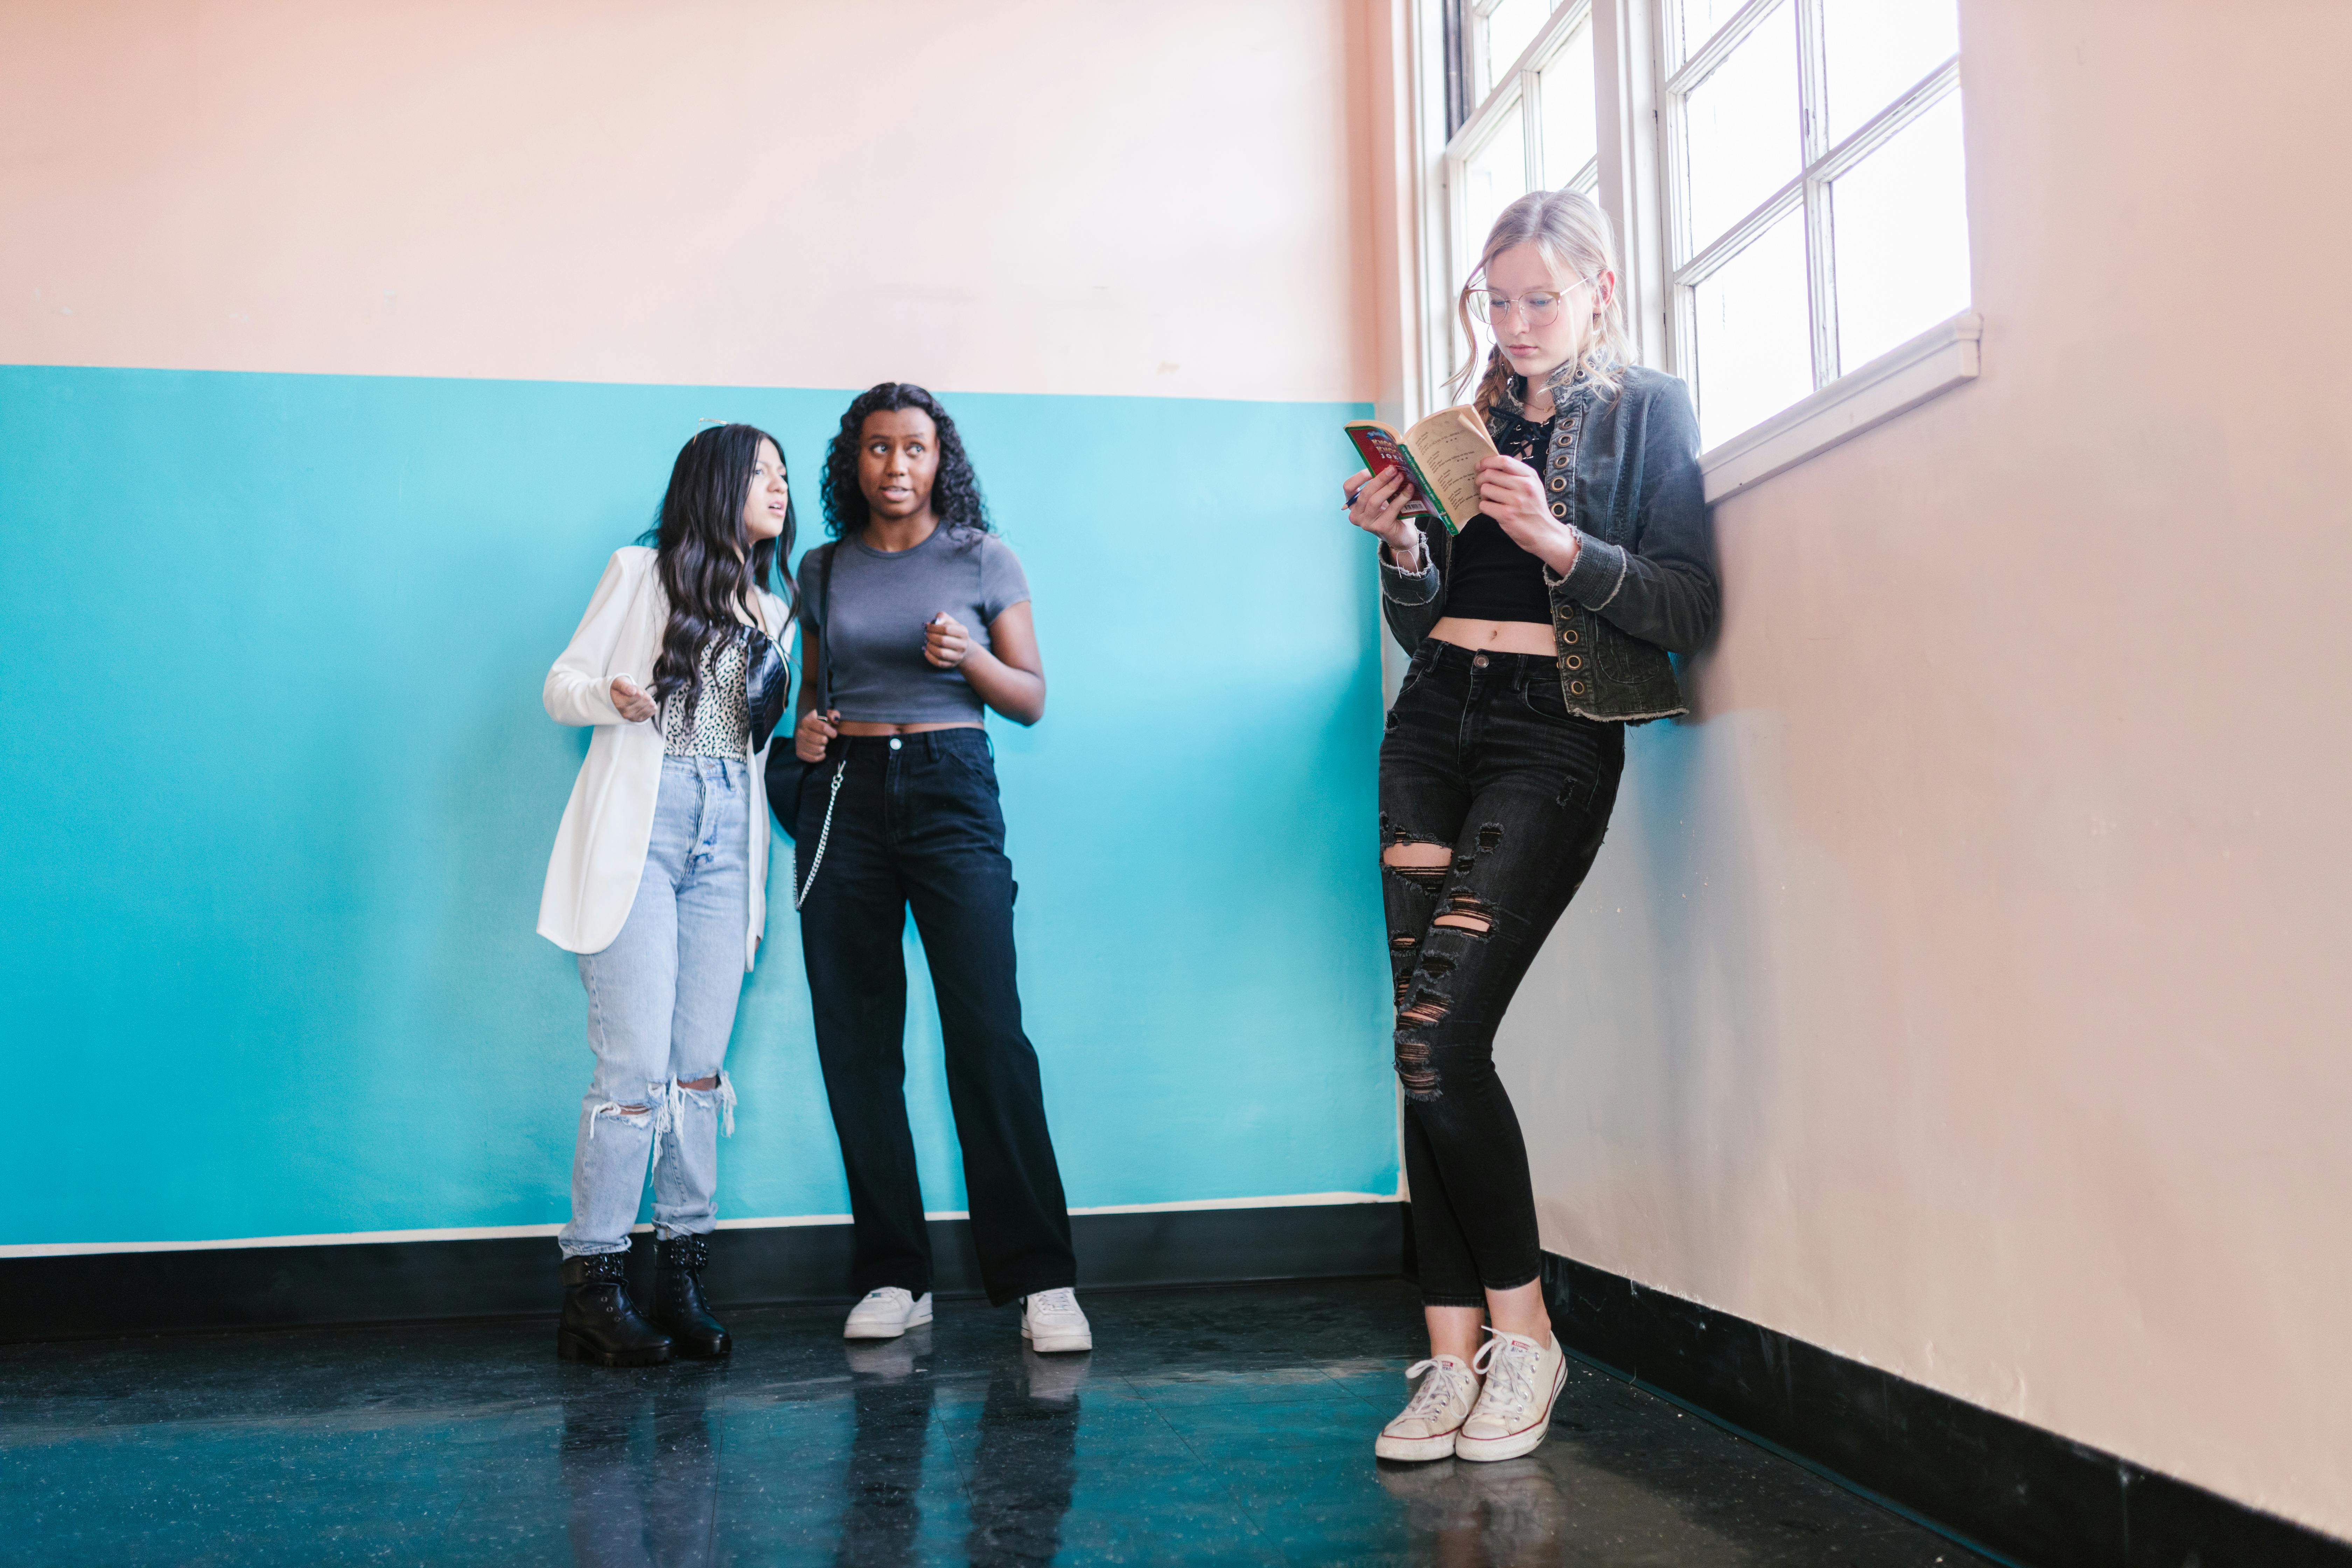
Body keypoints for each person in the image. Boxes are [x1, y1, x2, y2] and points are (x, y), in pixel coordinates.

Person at [1345, 191, 1717, 1461]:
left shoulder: (1647, 411)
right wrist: (1402, 544)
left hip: (1552, 735)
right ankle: (1450, 1360)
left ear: (1600, 290)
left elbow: (1685, 602)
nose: (1512, 325)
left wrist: (1555, 538)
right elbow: (1423, 621)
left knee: (1445, 1034)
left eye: (1538, 300)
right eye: (1494, 301)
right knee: (1415, 1041)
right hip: (1434, 715)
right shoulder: (1471, 423)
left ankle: (1529, 1338)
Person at [776, 382, 1088, 1353]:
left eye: (913, 448)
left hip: (951, 785)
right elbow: (812, 703)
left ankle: (1042, 1282)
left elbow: (1029, 698)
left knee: (989, 1034)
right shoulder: (822, 570)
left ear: (938, 458)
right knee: (857, 1042)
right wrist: (811, 738)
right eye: (877, 449)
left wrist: (969, 661)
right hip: (849, 797)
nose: (896, 467)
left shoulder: (984, 557)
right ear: (854, 462)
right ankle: (892, 1274)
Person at [538, 423, 798, 1366]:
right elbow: (559, 686)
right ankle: (593, 1288)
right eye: (759, 472)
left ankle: (679, 1277)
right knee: (633, 1070)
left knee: (696, 1073)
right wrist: (612, 695)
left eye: (781, 473)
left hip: (729, 837)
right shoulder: (638, 574)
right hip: (643, 837)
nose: (777, 485)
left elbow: (752, 752)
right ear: (714, 483)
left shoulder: (774, 610)